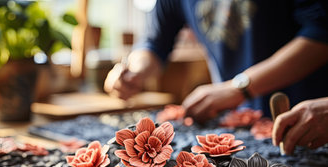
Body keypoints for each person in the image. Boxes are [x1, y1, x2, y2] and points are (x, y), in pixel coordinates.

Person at [104, 0, 328, 123]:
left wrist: (238, 87)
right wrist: (135, 71)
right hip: (237, 120)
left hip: (310, 120)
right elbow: (154, 43)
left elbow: (321, 34)